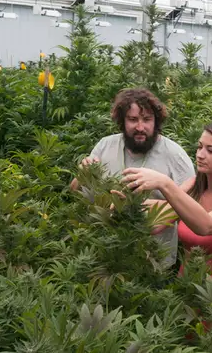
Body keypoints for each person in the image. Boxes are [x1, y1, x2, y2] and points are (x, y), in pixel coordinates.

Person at [69, 88, 195, 269]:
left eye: (147, 119)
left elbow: (193, 205)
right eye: (133, 119)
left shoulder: (175, 155)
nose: (140, 127)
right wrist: (82, 175)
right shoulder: (105, 146)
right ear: (122, 121)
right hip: (105, 256)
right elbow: (77, 195)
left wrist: (151, 210)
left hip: (154, 262)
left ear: (156, 121)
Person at [120, 120, 212, 280]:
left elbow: (206, 225)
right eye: (200, 147)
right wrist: (127, 203)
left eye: (211, 150)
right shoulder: (194, 186)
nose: (200, 155)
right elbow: (158, 221)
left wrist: (164, 183)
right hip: (186, 287)